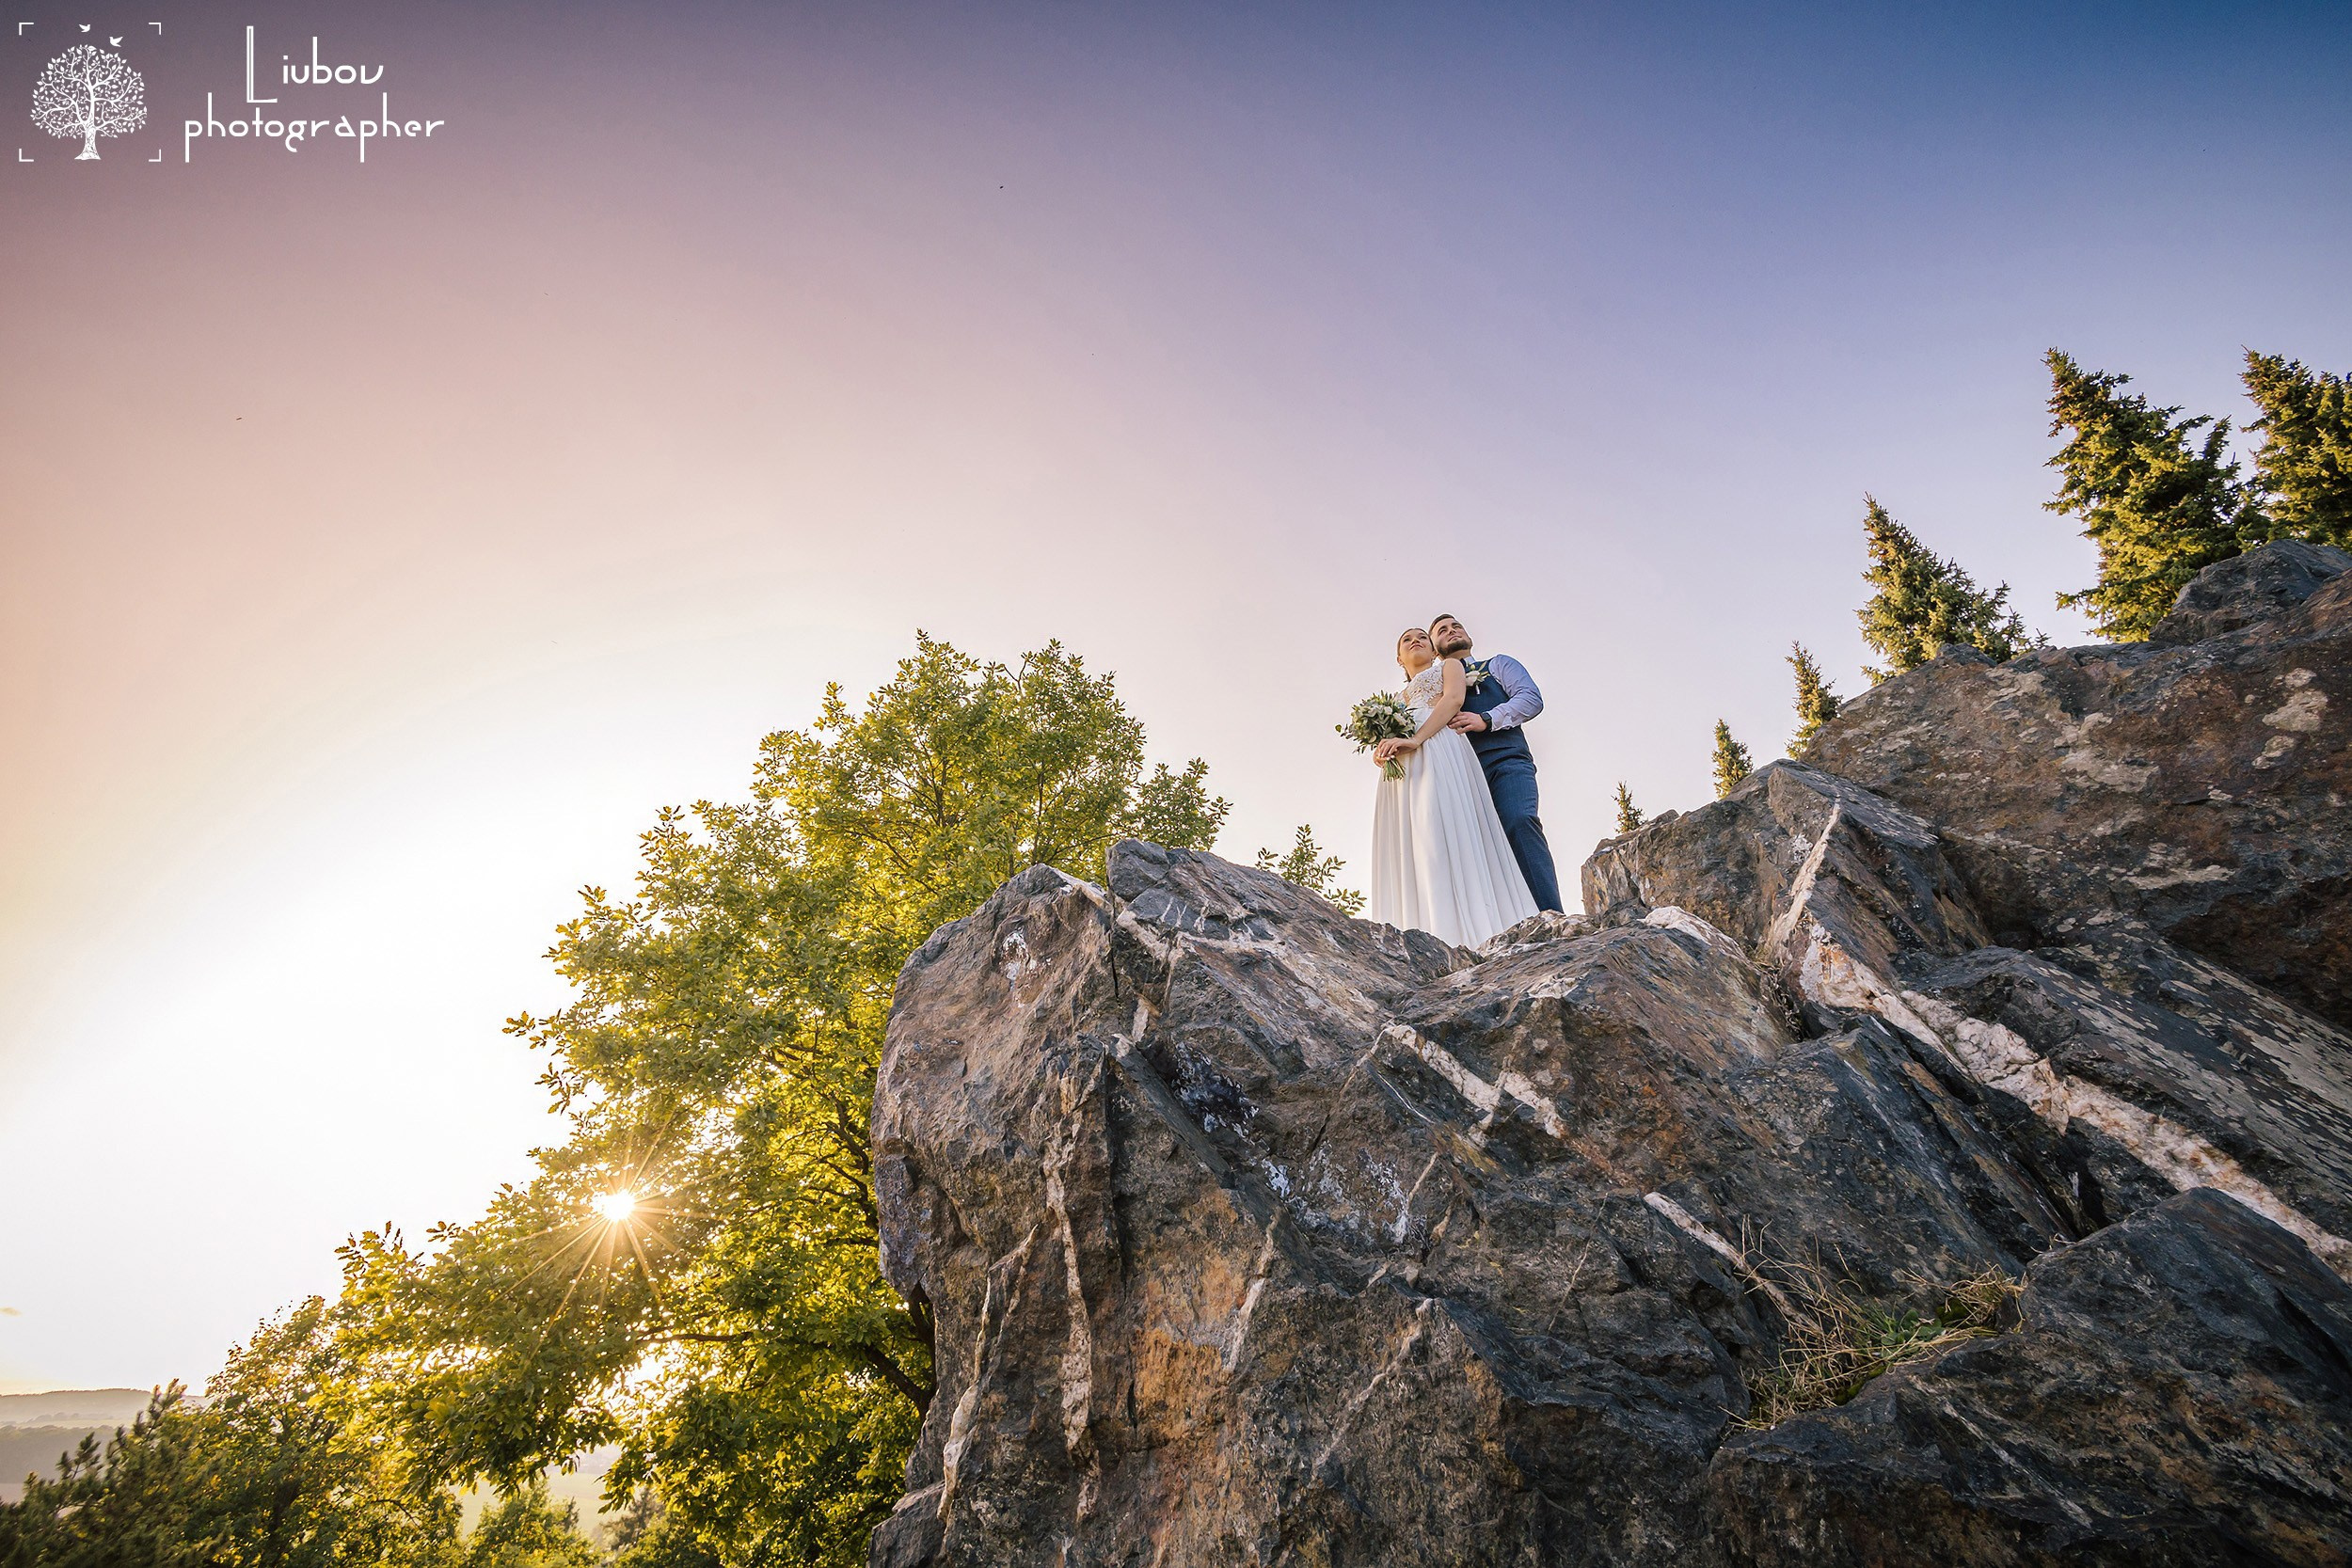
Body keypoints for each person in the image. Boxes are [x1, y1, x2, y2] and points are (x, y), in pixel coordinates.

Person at [1368, 627, 1539, 948]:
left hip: (1439, 749)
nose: (1416, 641)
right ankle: (1425, 929)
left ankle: (1468, 926)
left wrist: (1417, 738)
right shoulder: (1391, 701)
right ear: (1398, 658)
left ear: (1435, 652)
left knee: (1443, 828)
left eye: (1422, 637)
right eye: (1407, 639)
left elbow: (1454, 699)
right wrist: (1382, 751)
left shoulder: (1451, 667)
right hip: (1405, 766)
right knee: (1414, 839)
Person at [1429, 612, 1564, 913]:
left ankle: (1551, 915)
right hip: (1460, 775)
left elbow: (1530, 698)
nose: (1452, 631)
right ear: (1435, 648)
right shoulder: (1434, 685)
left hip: (1507, 761)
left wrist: (1486, 718)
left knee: (1519, 820)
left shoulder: (1499, 664)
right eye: (1442, 631)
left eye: (1456, 626)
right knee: (1473, 850)